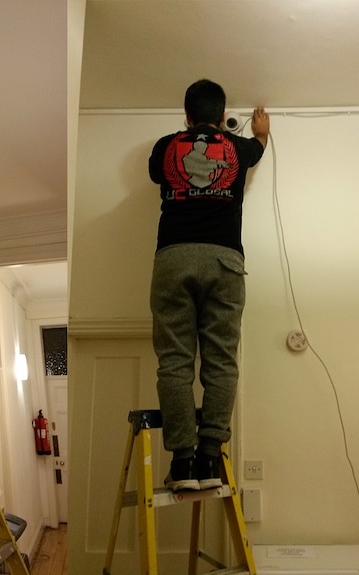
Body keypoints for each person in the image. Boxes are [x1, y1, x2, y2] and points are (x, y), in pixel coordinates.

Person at [148, 79, 269, 492]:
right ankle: (211, 456)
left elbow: (153, 173)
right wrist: (260, 131)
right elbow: (258, 146)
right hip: (224, 259)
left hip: (174, 257)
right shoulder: (236, 148)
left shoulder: (167, 146)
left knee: (175, 361)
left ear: (185, 116)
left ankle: (182, 463)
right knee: (221, 360)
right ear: (221, 117)